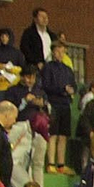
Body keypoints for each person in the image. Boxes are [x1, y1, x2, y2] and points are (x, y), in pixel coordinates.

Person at [36, 40, 75, 173]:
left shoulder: (68, 70)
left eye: (62, 51)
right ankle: (51, 163)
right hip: (53, 103)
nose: (60, 53)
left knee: (63, 135)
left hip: (65, 104)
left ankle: (61, 164)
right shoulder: (48, 67)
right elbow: (46, 86)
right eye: (57, 50)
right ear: (53, 52)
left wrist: (71, 90)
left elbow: (73, 85)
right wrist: (62, 89)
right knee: (52, 134)